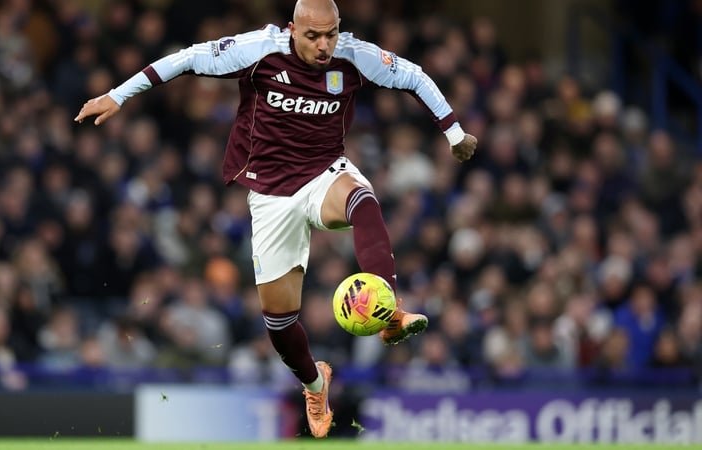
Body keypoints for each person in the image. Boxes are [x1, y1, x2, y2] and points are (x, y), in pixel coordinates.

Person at [75, 0, 477, 438]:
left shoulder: (354, 56)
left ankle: (390, 311)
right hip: (269, 195)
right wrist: (118, 95)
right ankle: (315, 383)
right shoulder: (259, 50)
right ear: (292, 29)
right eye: (313, 36)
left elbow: (413, 76)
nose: (324, 45)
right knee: (279, 323)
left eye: (331, 34)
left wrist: (453, 132)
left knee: (363, 202)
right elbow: (187, 59)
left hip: (324, 171)